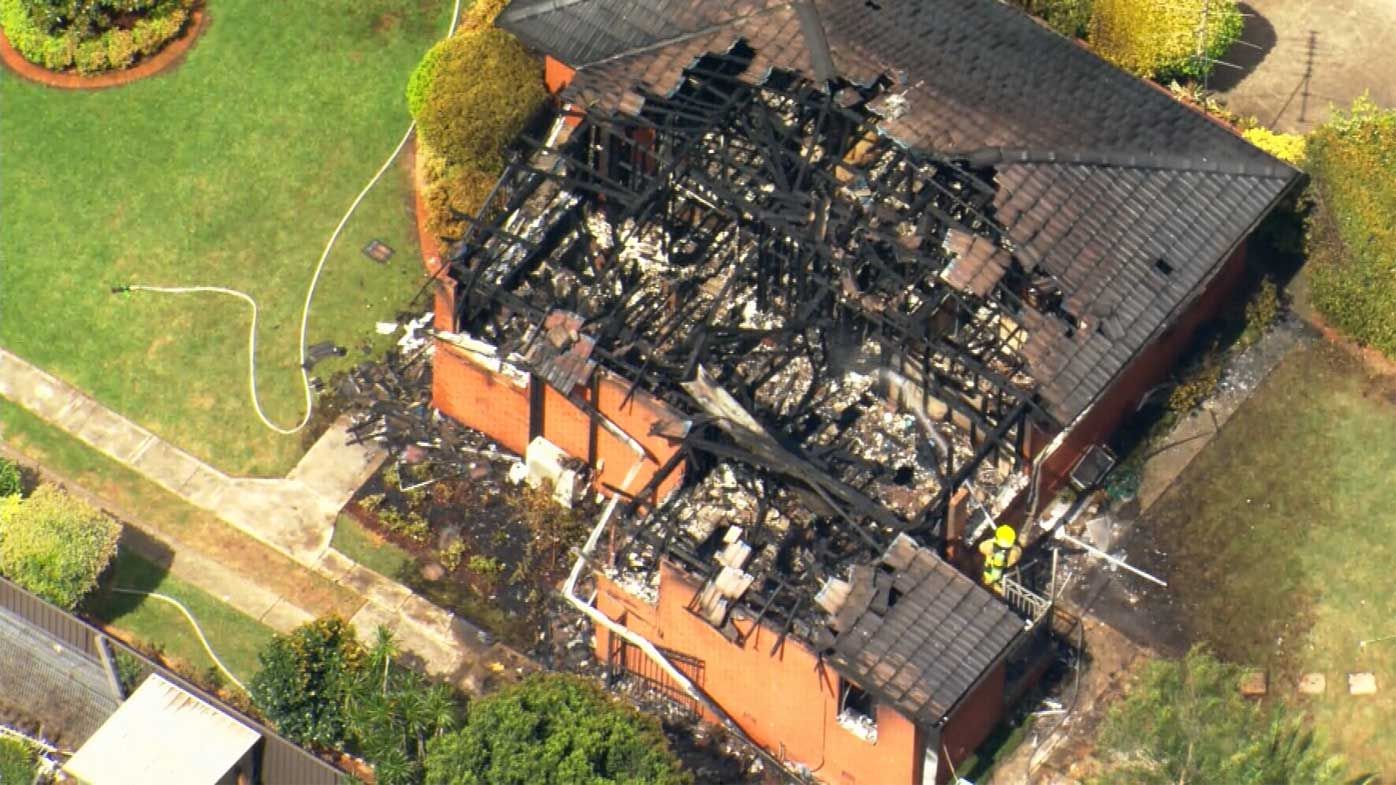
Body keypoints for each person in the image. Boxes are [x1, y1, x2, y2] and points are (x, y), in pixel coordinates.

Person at [978, 525, 1021, 592]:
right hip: (1000, 581)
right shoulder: (1014, 553)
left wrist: (993, 540)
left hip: (987, 575)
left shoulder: (990, 546)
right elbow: (1018, 553)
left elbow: (981, 547)